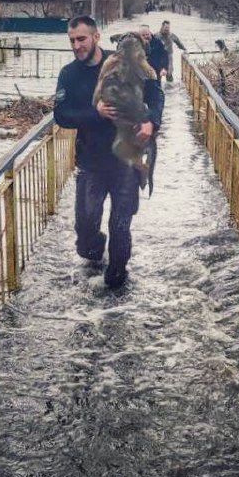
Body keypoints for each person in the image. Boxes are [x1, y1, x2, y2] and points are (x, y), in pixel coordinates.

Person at [54, 16, 165, 288]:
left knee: (120, 225)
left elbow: (156, 94)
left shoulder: (124, 63)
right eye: (72, 41)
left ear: (96, 37)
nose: (77, 45)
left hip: (126, 160)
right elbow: (61, 115)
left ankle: (117, 280)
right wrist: (96, 113)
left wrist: (152, 121)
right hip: (91, 162)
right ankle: (95, 253)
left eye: (81, 39)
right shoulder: (69, 74)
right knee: (86, 233)